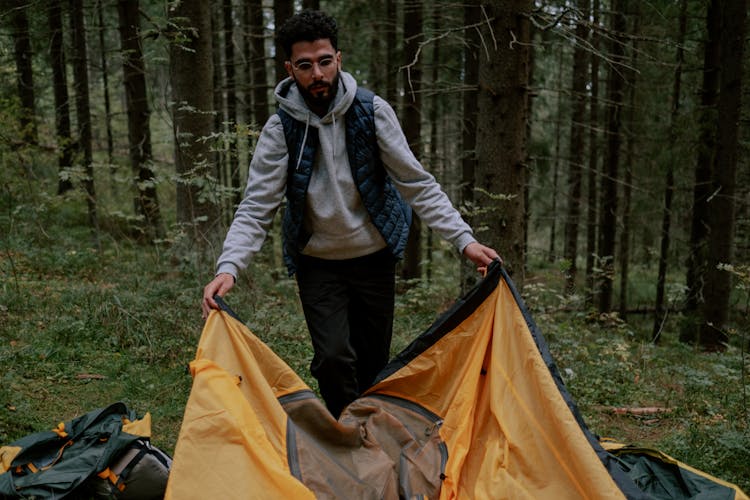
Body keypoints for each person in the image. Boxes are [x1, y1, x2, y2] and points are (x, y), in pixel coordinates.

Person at [202, 10, 499, 418]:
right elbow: (257, 206)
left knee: (374, 364)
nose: (317, 73)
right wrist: (229, 266)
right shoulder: (280, 129)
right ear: (291, 69)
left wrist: (465, 241)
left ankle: (372, 437)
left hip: (374, 257)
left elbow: (417, 183)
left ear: (338, 59)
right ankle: (345, 439)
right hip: (318, 264)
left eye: (324, 61)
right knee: (334, 360)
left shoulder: (373, 112)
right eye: (305, 66)